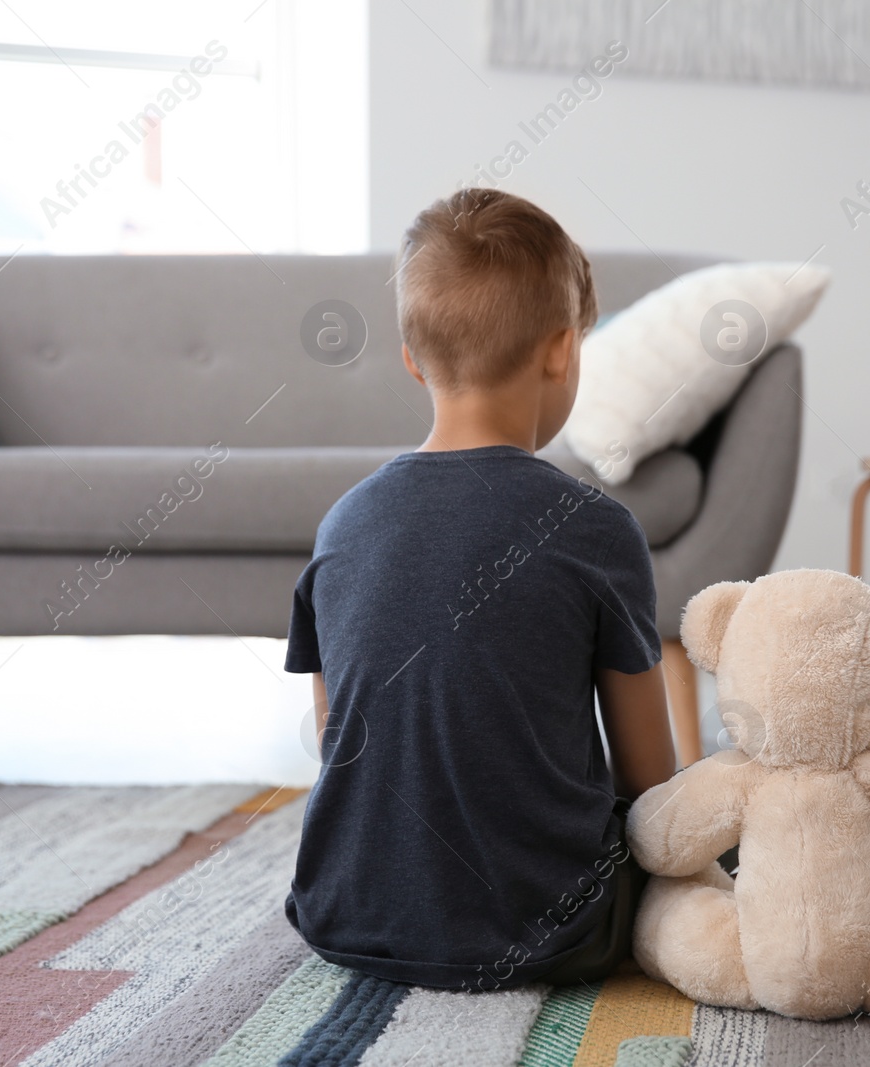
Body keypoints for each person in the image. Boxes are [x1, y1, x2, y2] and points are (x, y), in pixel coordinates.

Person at [283, 187, 678, 991]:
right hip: (559, 931)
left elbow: (339, 747)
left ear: (410, 355)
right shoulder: (595, 527)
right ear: (562, 349)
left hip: (344, 916)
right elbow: (651, 783)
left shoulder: (342, 525)